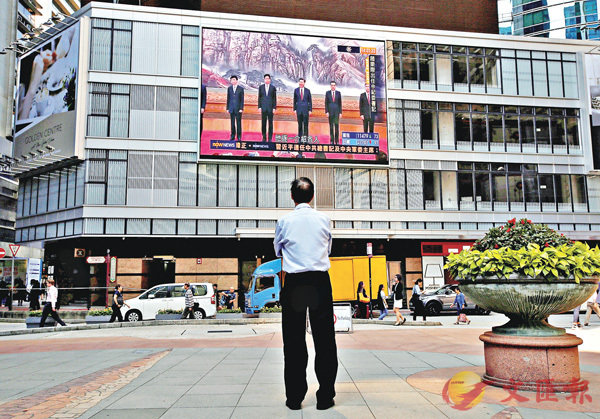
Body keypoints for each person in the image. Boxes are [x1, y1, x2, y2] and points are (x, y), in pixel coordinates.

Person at [274, 177, 337, 411]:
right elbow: (328, 248)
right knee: (325, 341)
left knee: (293, 342)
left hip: (295, 283)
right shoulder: (323, 219)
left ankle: (294, 398)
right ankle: (325, 397)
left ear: (292, 196)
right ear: (312, 197)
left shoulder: (284, 221)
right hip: (320, 281)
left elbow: (278, 250)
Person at [258, 74, 277, 142]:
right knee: (263, 123)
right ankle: (264, 137)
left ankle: (270, 138)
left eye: (268, 79)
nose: (267, 80)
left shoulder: (273, 88)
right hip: (263, 108)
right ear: (264, 79)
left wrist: (274, 108)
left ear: (270, 80)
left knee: (270, 124)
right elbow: (259, 98)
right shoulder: (261, 87)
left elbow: (274, 99)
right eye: (265, 78)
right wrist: (259, 107)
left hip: (270, 108)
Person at [226, 75, 244, 141]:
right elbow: (228, 98)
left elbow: (242, 100)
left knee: (238, 123)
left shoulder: (241, 89)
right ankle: (232, 136)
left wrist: (241, 108)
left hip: (238, 109)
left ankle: (239, 137)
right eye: (232, 80)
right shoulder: (229, 88)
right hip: (231, 108)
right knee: (232, 123)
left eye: (234, 79)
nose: (233, 81)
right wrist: (227, 108)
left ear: (236, 80)